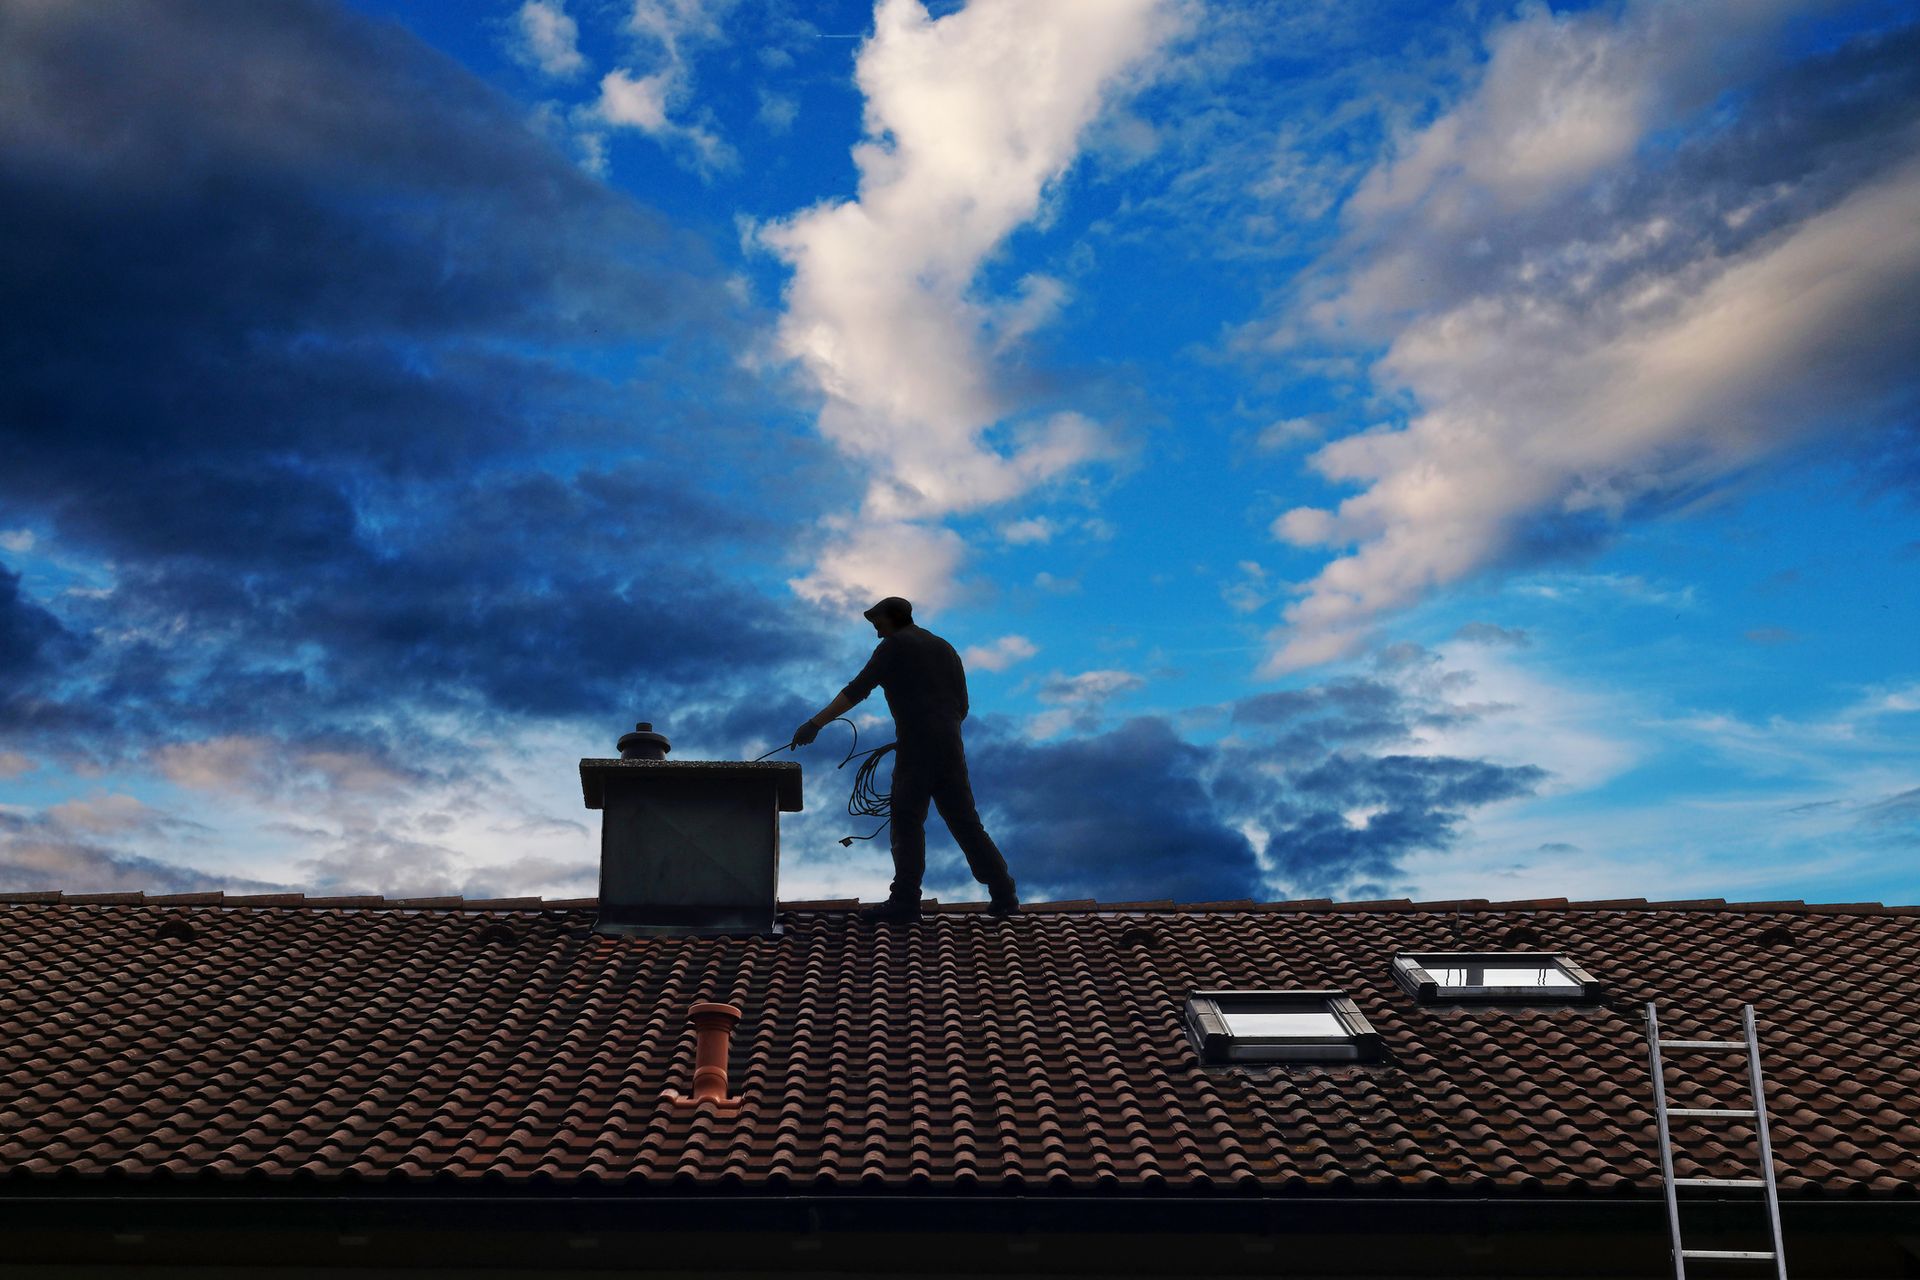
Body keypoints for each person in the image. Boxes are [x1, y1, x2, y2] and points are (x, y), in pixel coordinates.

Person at [793, 596, 1020, 922]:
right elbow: (962, 707)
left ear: (893, 618)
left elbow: (857, 689)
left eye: (878, 624)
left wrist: (815, 724)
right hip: (950, 747)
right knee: (966, 823)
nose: (876, 632)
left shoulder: (894, 647)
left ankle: (905, 901)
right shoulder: (945, 648)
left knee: (906, 820)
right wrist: (937, 731)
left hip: (917, 748)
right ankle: (1005, 894)